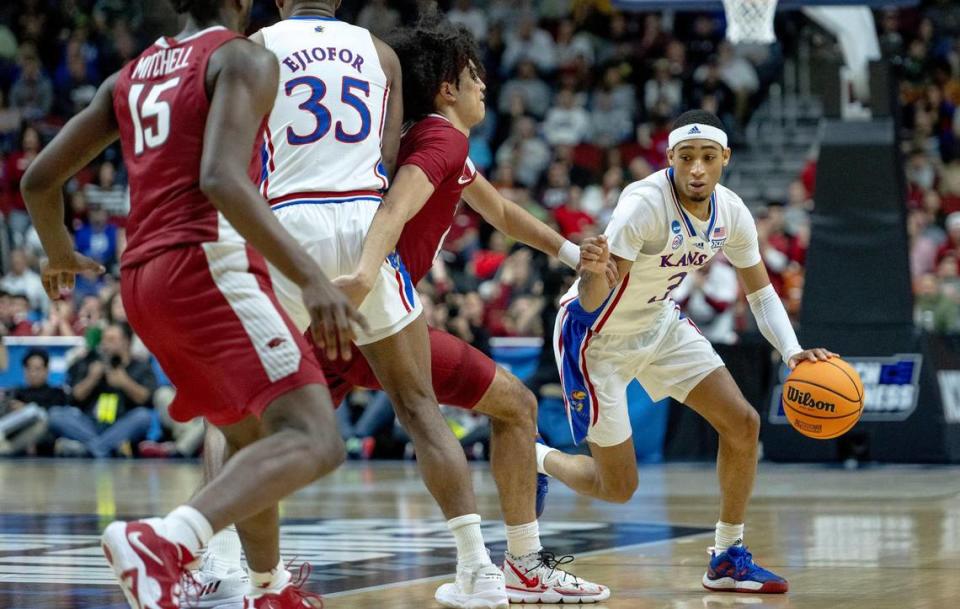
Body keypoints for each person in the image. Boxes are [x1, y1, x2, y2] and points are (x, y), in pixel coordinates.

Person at [20, 0, 360, 607]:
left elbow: (39, 179)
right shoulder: (241, 57)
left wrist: (59, 253)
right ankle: (166, 541)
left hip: (142, 281)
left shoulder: (129, 75)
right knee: (315, 436)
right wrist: (312, 278)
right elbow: (221, 179)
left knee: (254, 440)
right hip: (206, 265)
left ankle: (267, 588)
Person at [196, 3, 508, 608]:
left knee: (234, 407)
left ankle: (228, 562)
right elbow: (387, 156)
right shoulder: (381, 53)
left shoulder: (254, 43)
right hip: (363, 220)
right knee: (419, 407)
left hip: (286, 220)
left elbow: (227, 150)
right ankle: (479, 568)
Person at [330, 21, 610, 605]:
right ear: (446, 89)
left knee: (266, 435)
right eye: (473, 75)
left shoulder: (433, 140)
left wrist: (567, 251)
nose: (484, 84)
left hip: (343, 316)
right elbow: (400, 204)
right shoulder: (442, 141)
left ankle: (203, 553)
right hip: (376, 318)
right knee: (515, 406)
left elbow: (502, 214)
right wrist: (366, 276)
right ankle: (517, 565)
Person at [538, 110, 837, 594]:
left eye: (707, 158)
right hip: (596, 338)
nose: (696, 168)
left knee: (743, 423)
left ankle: (726, 556)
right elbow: (594, 300)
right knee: (619, 488)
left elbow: (760, 294)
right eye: (686, 158)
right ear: (670, 159)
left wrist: (792, 351)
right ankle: (535, 457)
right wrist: (591, 271)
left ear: (725, 159)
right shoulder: (643, 205)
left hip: (659, 322)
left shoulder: (733, 212)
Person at [50, 322, 157, 458]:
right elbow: (74, 397)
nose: (105, 344)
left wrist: (125, 382)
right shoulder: (91, 363)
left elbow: (147, 398)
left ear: (126, 342)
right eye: (104, 339)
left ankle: (88, 449)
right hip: (89, 424)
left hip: (121, 425)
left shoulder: (141, 366)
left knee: (143, 417)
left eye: (111, 339)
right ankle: (105, 447)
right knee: (56, 415)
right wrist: (91, 379)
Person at [0, 348, 66, 456]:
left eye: (37, 369)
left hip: (41, 435)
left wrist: (26, 409)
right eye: (29, 369)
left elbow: (54, 419)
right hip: (13, 432)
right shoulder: (16, 393)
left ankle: (7, 449)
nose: (33, 373)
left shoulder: (57, 393)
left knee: (42, 424)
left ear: (46, 370)